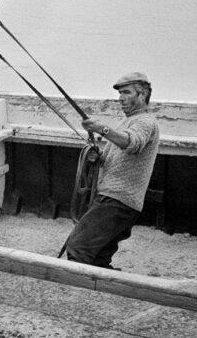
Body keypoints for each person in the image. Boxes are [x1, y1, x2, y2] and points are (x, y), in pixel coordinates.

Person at [66, 72, 160, 269]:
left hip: (117, 200)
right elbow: (121, 153)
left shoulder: (145, 121)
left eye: (126, 92)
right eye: (120, 94)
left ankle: (80, 292)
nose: (121, 98)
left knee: (78, 248)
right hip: (121, 201)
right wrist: (97, 157)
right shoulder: (128, 122)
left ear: (142, 95)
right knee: (99, 257)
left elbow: (133, 143)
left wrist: (102, 129)